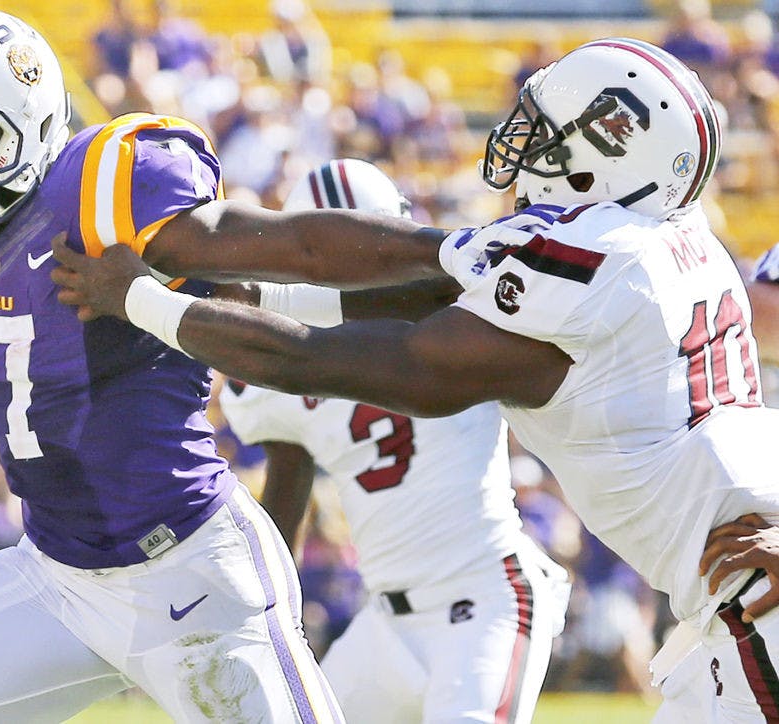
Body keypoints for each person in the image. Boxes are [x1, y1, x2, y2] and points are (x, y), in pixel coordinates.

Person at [50, 38, 779, 720]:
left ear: (606, 153)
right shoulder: (667, 246)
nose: (524, 141)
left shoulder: (592, 265)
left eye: (548, 129)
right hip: (731, 602)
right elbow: (404, 264)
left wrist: (144, 300)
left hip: (753, 606)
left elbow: (361, 362)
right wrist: (242, 282)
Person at [0, 9, 344, 722]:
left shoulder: (102, 189)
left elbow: (283, 256)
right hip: (56, 577)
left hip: (192, 567)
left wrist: (436, 261)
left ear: (21, 129)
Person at [219, 158, 570, 722]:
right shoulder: (281, 357)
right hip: (383, 619)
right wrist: (267, 618)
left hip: (485, 598)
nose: (349, 265)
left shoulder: (460, 312)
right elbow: (288, 487)